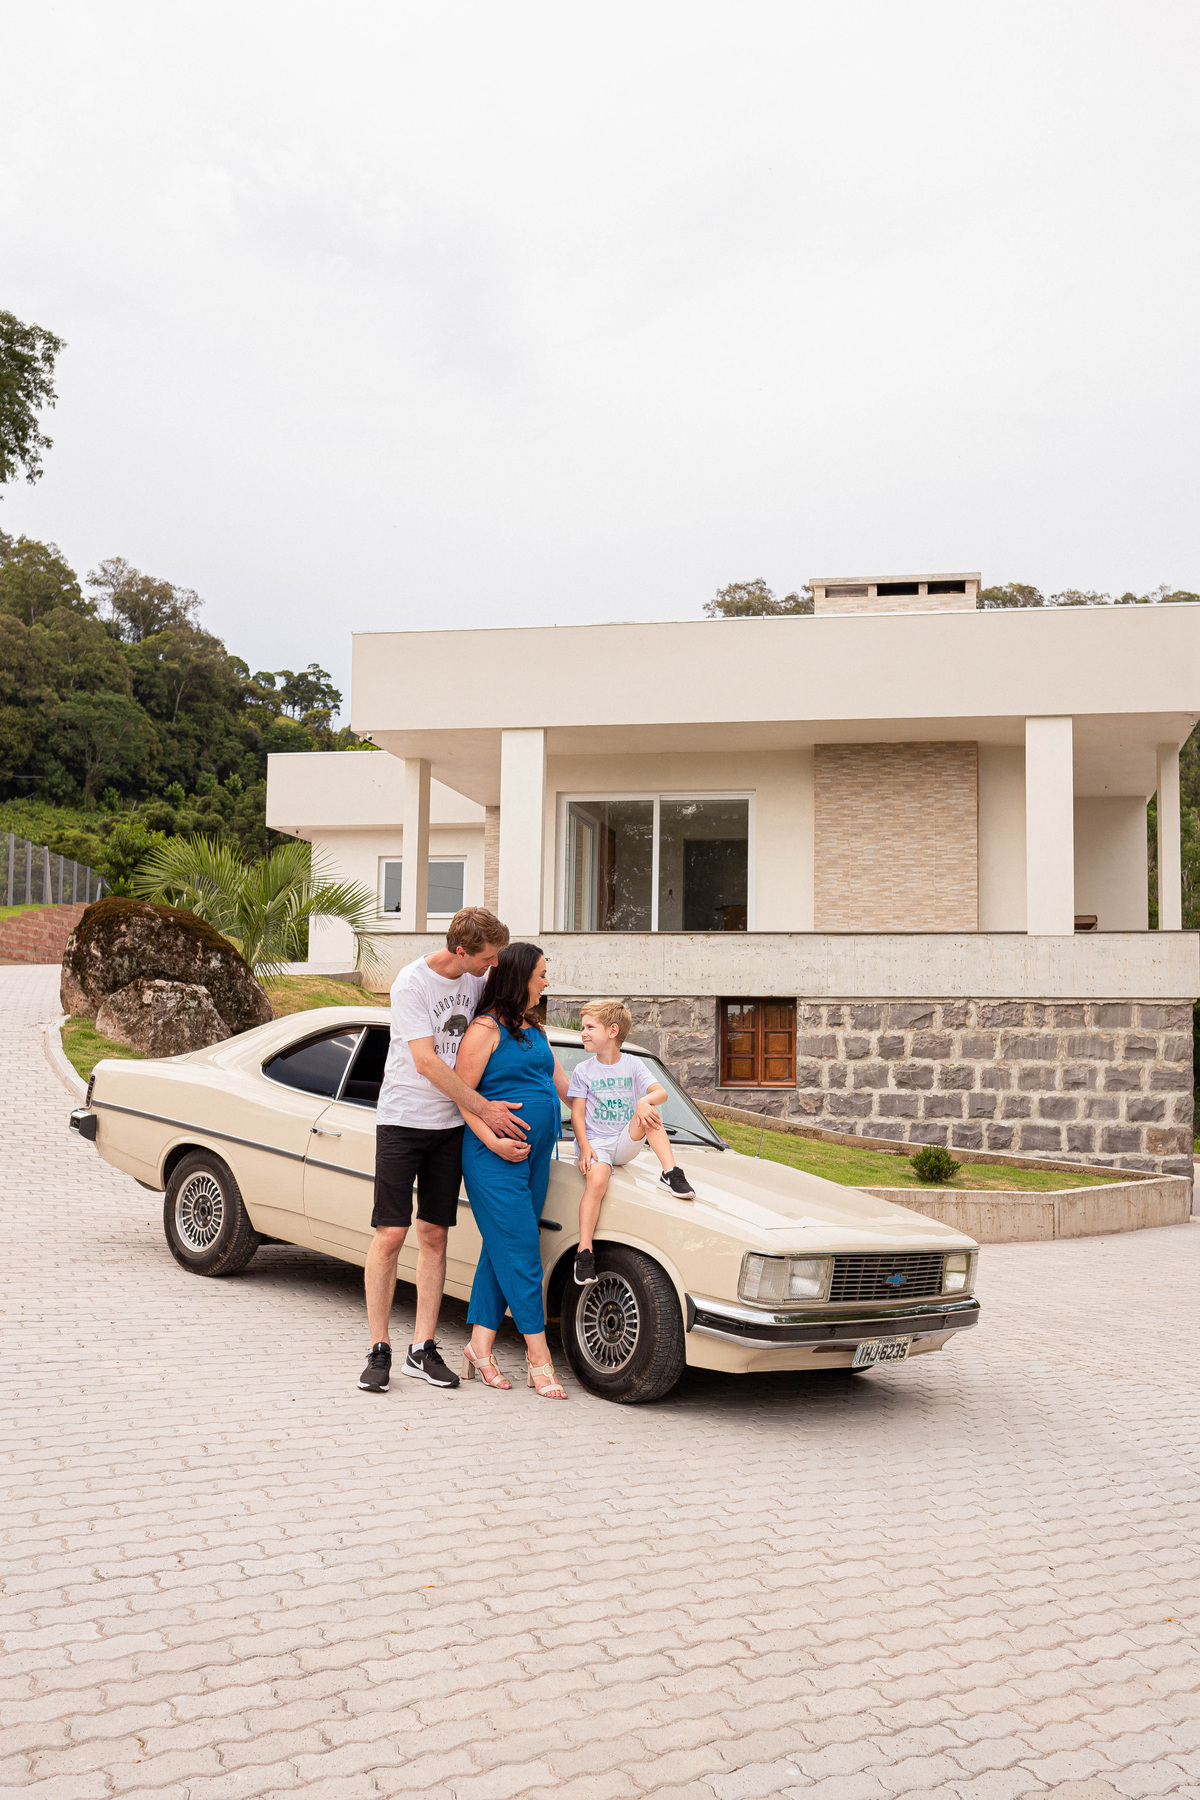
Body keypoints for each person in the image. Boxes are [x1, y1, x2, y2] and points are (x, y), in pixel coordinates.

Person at [359, 906, 525, 1396]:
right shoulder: (411, 984)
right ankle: (379, 1349)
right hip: (403, 1120)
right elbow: (427, 1061)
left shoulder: (477, 980)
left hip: (450, 1127)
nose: (493, 965)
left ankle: (422, 1349)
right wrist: (487, 1111)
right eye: (488, 957)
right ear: (461, 951)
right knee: (391, 1234)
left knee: (434, 1235)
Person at [454, 943, 572, 1398]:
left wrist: (605, 1114)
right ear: (520, 975)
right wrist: (494, 1142)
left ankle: (478, 1348)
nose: (546, 982)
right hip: (492, 1158)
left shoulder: (532, 1028)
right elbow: (461, 1094)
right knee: (522, 1252)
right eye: (542, 974)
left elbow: (563, 1086)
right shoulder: (485, 1029)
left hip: (536, 1156)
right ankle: (539, 1359)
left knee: (500, 1250)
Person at [568, 999, 695, 1288]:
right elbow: (576, 1114)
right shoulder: (584, 1071)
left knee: (649, 1111)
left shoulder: (633, 1064)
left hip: (624, 1142)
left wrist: (642, 1101)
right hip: (596, 1143)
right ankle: (584, 1252)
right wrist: (584, 1146)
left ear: (612, 1031)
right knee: (597, 1181)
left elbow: (661, 1093)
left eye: (589, 1027)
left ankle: (670, 1172)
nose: (583, 1033)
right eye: (582, 1027)